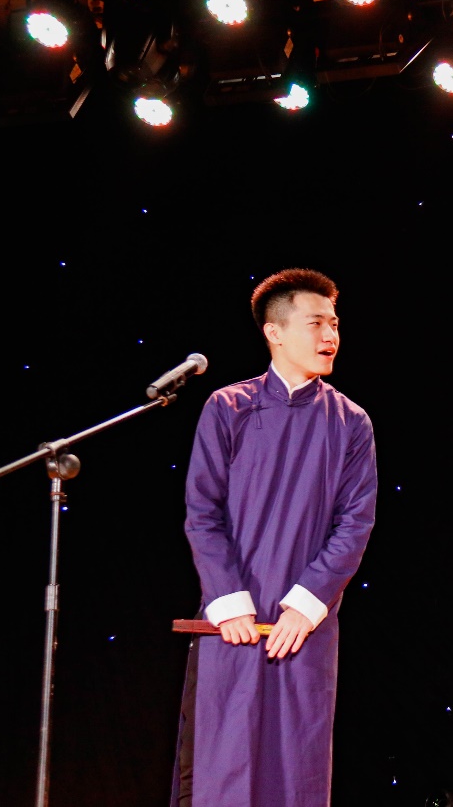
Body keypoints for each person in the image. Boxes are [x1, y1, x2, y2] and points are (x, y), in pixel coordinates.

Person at [169, 267, 378, 807]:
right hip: (231, 624)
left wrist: (305, 607)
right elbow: (202, 513)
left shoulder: (350, 422)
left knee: (295, 768)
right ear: (274, 332)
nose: (330, 335)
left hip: (302, 628)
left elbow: (354, 523)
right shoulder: (228, 407)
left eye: (334, 323)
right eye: (316, 323)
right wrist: (228, 600)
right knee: (222, 765)